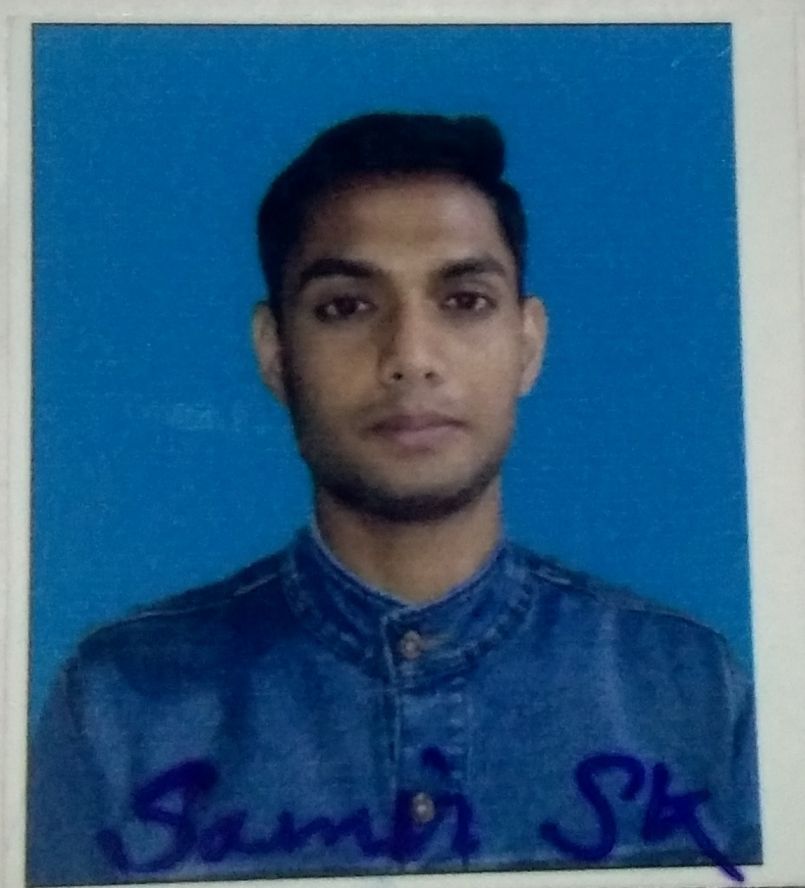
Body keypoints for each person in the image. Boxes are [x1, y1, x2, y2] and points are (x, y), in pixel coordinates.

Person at [27, 112, 761, 886]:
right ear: (275, 354)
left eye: (464, 300)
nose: (409, 357)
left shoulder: (685, 690)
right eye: (346, 307)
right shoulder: (121, 704)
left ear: (528, 343)